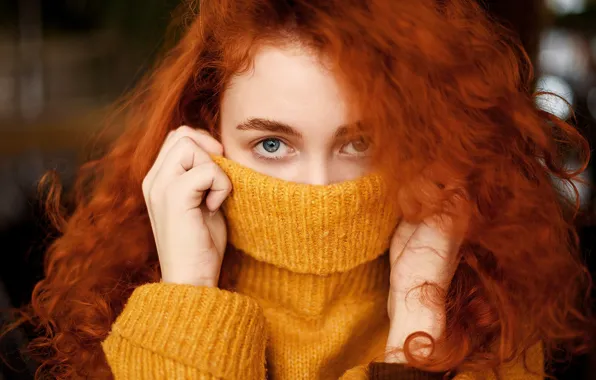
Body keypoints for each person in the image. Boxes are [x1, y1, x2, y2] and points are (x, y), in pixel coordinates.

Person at [6, 0, 593, 379]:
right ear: (207, 135)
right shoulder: (126, 306)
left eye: (359, 144)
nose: (318, 187)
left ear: (419, 143)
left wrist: (419, 321)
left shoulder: (489, 316)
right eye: (271, 145)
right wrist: (186, 294)